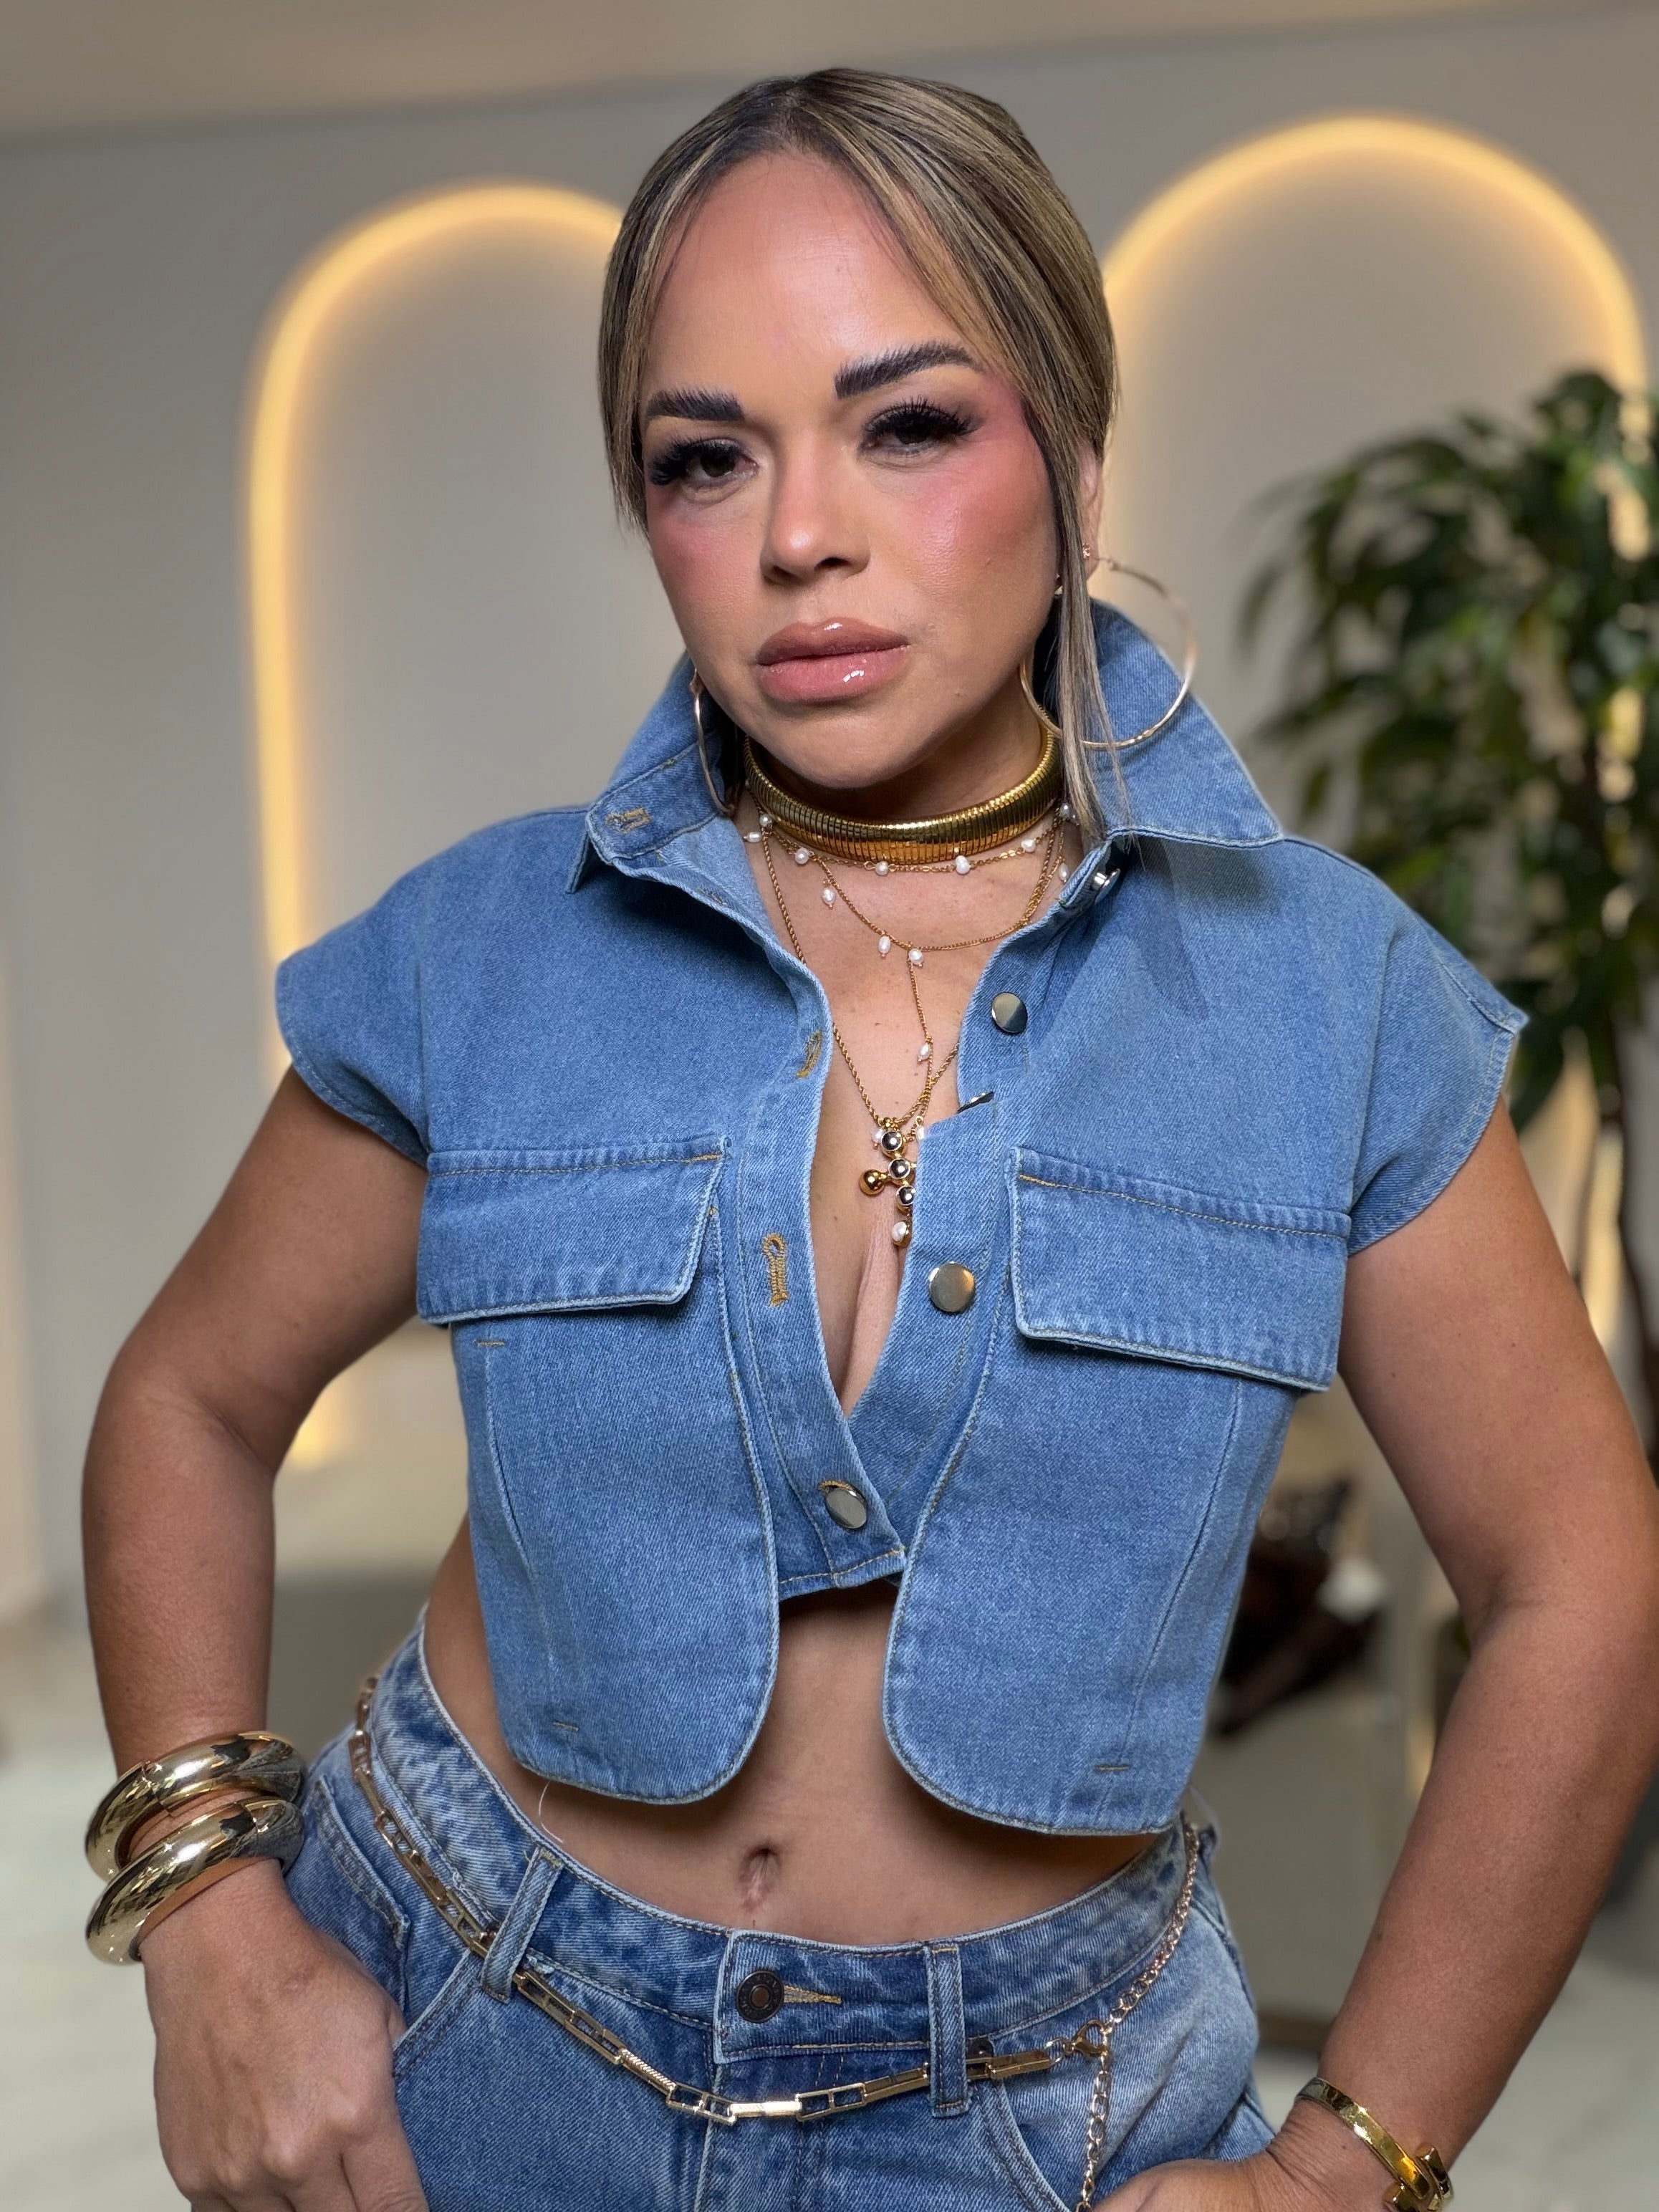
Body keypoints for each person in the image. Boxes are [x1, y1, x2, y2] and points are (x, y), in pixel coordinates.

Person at [81, 69, 1659, 2212]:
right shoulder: (483, 949)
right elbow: (186, 1397)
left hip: (1027, 2122)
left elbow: (1579, 1583)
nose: (798, 536)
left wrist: (1346, 2166)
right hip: (451, 2028)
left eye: (905, 424)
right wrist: (206, 1915)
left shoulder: (1331, 999)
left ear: (1071, 455)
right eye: (704, 457)